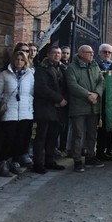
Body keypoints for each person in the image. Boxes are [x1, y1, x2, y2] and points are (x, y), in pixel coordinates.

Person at [0, 51, 35, 177]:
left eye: (22, 60)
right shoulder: (4, 75)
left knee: (21, 139)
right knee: (9, 138)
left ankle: (15, 162)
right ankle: (3, 162)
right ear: (13, 60)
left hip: (25, 112)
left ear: (25, 62)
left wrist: (29, 106)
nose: (19, 62)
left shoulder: (29, 75)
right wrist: (2, 104)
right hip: (9, 111)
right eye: (17, 59)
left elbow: (31, 93)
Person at [65, 45, 105, 173]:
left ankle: (90, 156)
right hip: (79, 106)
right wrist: (88, 95)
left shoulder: (94, 65)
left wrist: (97, 94)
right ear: (81, 53)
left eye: (93, 52)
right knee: (78, 134)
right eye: (89, 52)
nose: (92, 55)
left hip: (93, 106)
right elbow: (72, 85)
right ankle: (77, 159)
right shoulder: (72, 67)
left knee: (92, 133)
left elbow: (101, 81)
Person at [32, 46, 68, 174]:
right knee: (41, 137)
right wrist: (58, 99)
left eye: (59, 53)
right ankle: (38, 163)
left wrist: (64, 100)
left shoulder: (63, 69)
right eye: (54, 53)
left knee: (53, 137)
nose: (57, 55)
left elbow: (66, 87)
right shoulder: (42, 69)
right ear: (48, 54)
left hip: (58, 109)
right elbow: (42, 88)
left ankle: (50, 161)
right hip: (45, 108)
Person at [94, 44, 112, 162]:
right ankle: (92, 153)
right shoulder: (94, 65)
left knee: (106, 128)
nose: (107, 54)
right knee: (94, 128)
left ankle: (103, 151)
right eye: (104, 52)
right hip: (96, 99)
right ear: (100, 52)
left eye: (109, 52)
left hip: (109, 100)